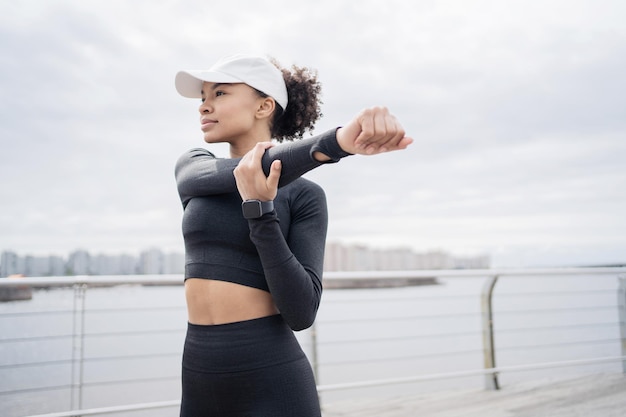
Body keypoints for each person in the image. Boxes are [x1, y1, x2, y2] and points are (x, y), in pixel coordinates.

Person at [174, 54, 412, 417]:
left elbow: (301, 312)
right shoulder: (195, 168)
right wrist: (337, 143)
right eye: (203, 97)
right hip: (199, 374)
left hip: (272, 377)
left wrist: (260, 212)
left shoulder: (305, 196)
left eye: (219, 93)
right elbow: (245, 169)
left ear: (264, 106)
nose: (204, 106)